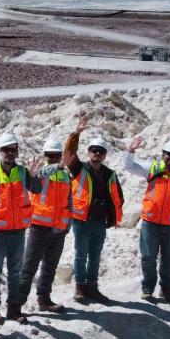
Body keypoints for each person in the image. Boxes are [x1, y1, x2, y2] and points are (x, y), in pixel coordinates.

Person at [122, 136, 170, 303]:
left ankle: (166, 290)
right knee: (148, 257)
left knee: (169, 259)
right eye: (168, 154)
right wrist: (130, 151)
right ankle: (147, 289)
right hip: (150, 222)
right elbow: (129, 166)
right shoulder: (153, 168)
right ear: (163, 154)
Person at [0, 132, 44, 324]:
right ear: (0, 152)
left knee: (15, 272)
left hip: (18, 232)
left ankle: (14, 309)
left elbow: (37, 190)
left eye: (12, 150)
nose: (8, 153)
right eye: (5, 150)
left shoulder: (23, 172)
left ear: (16, 152)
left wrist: (33, 176)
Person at [64, 126, 124, 303]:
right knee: (81, 254)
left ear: (105, 155)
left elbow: (118, 196)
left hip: (99, 222)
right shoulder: (79, 168)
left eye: (100, 151)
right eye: (93, 151)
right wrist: (75, 133)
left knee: (95, 256)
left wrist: (111, 215)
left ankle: (92, 286)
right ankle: (80, 287)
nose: (96, 154)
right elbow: (68, 154)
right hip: (82, 220)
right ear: (88, 152)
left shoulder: (110, 174)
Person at [17, 134, 74, 313]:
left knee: (50, 267)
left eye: (57, 155)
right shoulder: (41, 173)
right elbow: (43, 173)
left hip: (58, 229)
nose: (54, 158)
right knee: (29, 267)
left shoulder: (65, 176)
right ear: (46, 156)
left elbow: (69, 201)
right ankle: (17, 304)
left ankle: (44, 299)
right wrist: (58, 165)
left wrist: (67, 225)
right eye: (50, 155)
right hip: (39, 227)